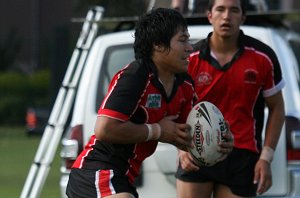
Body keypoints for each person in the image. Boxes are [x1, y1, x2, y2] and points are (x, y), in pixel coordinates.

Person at [66, 7, 196, 198]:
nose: (190, 47)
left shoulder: (185, 84)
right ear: (158, 45)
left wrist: (217, 142)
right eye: (182, 40)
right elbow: (104, 129)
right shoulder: (136, 76)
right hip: (95, 172)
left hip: (122, 179)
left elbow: (185, 135)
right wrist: (157, 130)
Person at [175, 0, 285, 198]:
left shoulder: (263, 57)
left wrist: (266, 158)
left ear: (243, 17)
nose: (227, 16)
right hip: (197, 149)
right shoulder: (190, 58)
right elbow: (176, 106)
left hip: (242, 156)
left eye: (234, 10)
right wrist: (181, 149)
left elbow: (277, 108)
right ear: (210, 15)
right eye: (220, 9)